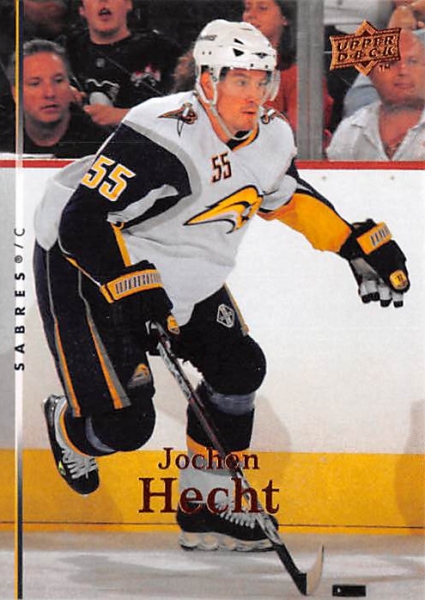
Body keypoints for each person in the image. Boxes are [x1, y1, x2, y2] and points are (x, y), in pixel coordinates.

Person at [33, 20, 409, 552]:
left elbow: (285, 196)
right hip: (88, 269)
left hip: (178, 269)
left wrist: (350, 241)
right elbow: (83, 222)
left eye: (262, 80)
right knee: (126, 426)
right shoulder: (160, 134)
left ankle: (205, 504)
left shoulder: (272, 134)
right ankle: (68, 428)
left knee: (239, 367)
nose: (254, 95)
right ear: (208, 82)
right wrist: (131, 286)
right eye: (240, 81)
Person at [63, 0, 181, 128]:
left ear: (128, 4)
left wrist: (124, 116)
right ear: (82, 9)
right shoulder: (65, 49)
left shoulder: (163, 51)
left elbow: (188, 113)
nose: (103, 1)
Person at [327, 30, 425, 161]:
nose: (403, 70)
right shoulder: (350, 131)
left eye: (412, 61)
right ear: (370, 75)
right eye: (390, 63)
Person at [242, 0, 334, 138]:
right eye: (247, 8)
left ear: (285, 18)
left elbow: (300, 133)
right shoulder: (230, 66)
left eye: (262, 8)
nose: (251, 15)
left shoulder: (300, 73)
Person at [16, 39, 109, 158]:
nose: (50, 93)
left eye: (58, 81)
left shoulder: (103, 145)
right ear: (15, 92)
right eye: (35, 83)